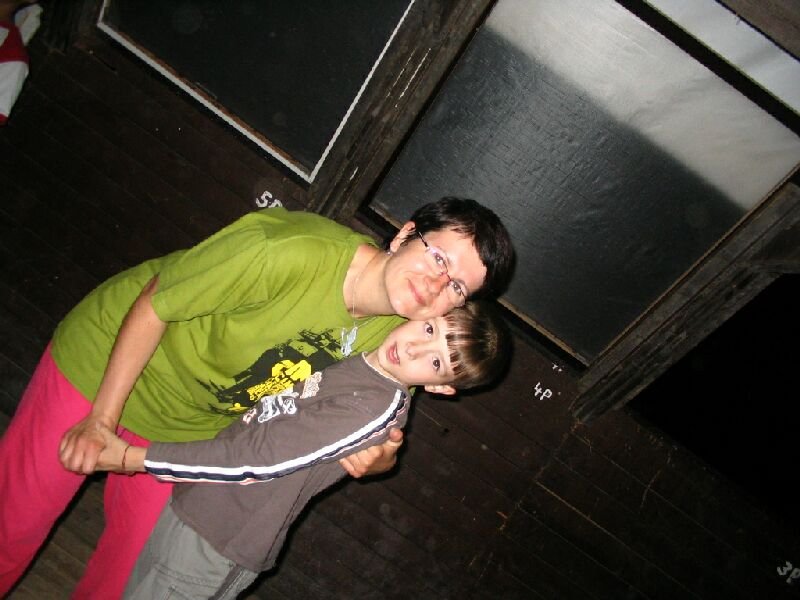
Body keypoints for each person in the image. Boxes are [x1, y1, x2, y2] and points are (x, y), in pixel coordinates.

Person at [0, 197, 515, 598]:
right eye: (437, 256)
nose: (436, 283)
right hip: (107, 366)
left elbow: (379, 425)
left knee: (128, 578)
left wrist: (381, 460)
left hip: (197, 425)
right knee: (13, 526)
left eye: (457, 287)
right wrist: (102, 419)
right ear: (404, 234)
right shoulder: (289, 250)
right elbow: (156, 301)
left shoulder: (408, 335)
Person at [95, 301, 510, 599]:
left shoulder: (375, 406)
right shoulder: (367, 364)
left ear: (439, 387)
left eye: (436, 364)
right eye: (430, 331)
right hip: (199, 504)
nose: (415, 349)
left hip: (220, 541)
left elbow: (258, 457)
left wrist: (134, 458)